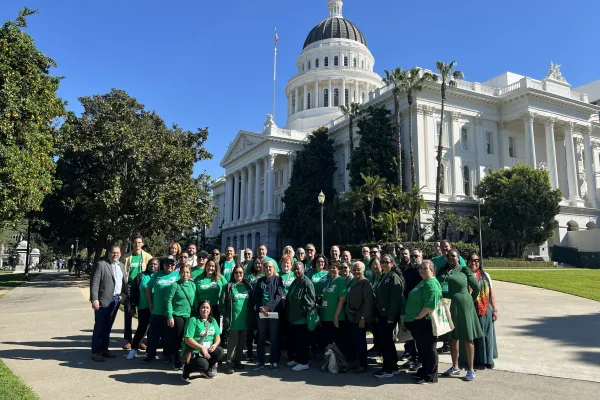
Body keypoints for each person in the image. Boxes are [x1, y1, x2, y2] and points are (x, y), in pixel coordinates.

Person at [438, 249, 483, 381]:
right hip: (448, 307)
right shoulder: (443, 271)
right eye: (449, 256)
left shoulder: (464, 270)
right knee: (452, 337)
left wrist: (468, 299)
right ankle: (455, 366)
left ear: (458, 258)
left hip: (464, 307)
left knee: (467, 337)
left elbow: (476, 287)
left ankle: (470, 369)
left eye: (454, 256)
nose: (451, 258)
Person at [404, 260, 442, 384]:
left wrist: (419, 316)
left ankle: (430, 375)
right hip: (418, 322)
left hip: (425, 322)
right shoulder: (424, 282)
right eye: (420, 268)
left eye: (425, 268)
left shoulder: (431, 284)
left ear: (432, 270)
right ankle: (425, 370)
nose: (422, 271)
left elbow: (431, 304)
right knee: (422, 348)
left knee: (429, 348)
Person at [90, 245, 128, 362]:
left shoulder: (121, 266)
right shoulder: (101, 264)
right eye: (113, 252)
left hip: (116, 301)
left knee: (108, 326)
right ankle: (95, 352)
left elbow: (124, 283)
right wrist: (94, 299)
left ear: (120, 254)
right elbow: (94, 283)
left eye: (117, 253)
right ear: (109, 253)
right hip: (103, 301)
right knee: (99, 327)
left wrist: (123, 295)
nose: (115, 254)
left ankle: (104, 349)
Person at [142, 256, 180, 364]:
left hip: (170, 312)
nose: (169, 266)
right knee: (153, 335)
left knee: (168, 335)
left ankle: (167, 355)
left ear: (174, 266)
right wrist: (150, 302)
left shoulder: (177, 276)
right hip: (157, 310)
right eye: (167, 264)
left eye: (172, 264)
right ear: (163, 265)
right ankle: (150, 355)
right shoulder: (157, 275)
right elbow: (148, 288)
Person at [373, 254, 405, 378]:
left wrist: (391, 315)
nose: (384, 264)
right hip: (382, 314)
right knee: (386, 341)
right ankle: (393, 366)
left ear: (392, 263)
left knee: (386, 342)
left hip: (389, 315)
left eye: (387, 262)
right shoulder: (383, 276)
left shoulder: (393, 277)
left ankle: (388, 369)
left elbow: (395, 299)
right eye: (382, 262)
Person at [432, 240, 466, 354]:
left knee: (454, 320)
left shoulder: (459, 260)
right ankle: (446, 343)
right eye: (442, 247)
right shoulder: (437, 261)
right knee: (444, 320)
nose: (444, 248)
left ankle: (455, 343)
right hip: (442, 295)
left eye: (446, 246)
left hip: (454, 294)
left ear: (450, 246)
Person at [466, 254, 498, 369]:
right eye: (471, 260)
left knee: (487, 335)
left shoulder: (485, 276)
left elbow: (491, 294)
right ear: (467, 262)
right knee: (473, 336)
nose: (473, 263)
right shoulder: (464, 275)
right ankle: (476, 359)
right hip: (470, 310)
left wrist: (494, 310)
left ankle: (488, 359)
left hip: (485, 309)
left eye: (476, 260)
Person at [220, 265, 254, 374]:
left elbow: (252, 302)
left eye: (240, 273)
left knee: (241, 342)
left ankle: (237, 361)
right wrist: (225, 316)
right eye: (236, 273)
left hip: (244, 319)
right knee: (232, 343)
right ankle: (228, 364)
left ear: (243, 274)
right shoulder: (228, 286)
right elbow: (222, 303)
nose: (238, 275)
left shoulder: (248, 286)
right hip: (233, 321)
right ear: (233, 274)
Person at [122, 236, 153, 350]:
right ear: (132, 243)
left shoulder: (147, 257)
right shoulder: (126, 257)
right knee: (128, 312)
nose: (137, 245)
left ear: (142, 244)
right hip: (130, 286)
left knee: (143, 314)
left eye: (139, 243)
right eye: (135, 242)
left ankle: (140, 339)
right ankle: (128, 340)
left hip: (143, 286)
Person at [181, 300, 224, 380]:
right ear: (199, 309)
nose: (205, 310)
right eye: (203, 307)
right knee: (202, 365)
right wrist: (201, 348)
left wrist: (215, 345)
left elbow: (217, 336)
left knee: (219, 351)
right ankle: (187, 369)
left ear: (210, 309)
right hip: (195, 351)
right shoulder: (193, 320)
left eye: (207, 308)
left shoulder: (213, 321)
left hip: (208, 350)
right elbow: (188, 339)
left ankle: (206, 370)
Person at [254, 260, 285, 370]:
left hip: (273, 312)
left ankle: (274, 361)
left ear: (274, 268)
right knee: (261, 337)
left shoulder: (278, 280)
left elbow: (278, 296)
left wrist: (268, 307)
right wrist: (261, 308)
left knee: (273, 337)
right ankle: (260, 361)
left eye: (270, 267)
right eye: (266, 267)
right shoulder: (260, 281)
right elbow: (256, 297)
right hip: (261, 313)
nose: (268, 269)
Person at [127, 257, 160, 359]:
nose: (153, 266)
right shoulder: (140, 276)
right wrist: (132, 306)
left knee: (154, 331)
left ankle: (151, 352)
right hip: (143, 307)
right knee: (142, 329)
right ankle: (134, 348)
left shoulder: (161, 276)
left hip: (158, 308)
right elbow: (133, 292)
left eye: (155, 264)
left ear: (158, 266)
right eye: (151, 264)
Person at [165, 264, 196, 370]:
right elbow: (169, 300)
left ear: (190, 273)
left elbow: (195, 301)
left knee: (188, 339)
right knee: (177, 339)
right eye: (183, 272)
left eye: (187, 272)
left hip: (189, 316)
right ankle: (176, 359)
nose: (185, 274)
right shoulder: (175, 285)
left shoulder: (192, 285)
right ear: (179, 273)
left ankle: (186, 358)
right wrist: (170, 316)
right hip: (177, 315)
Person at [286, 261, 316, 371]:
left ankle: (304, 362)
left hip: (302, 318)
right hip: (294, 317)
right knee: (296, 340)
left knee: (303, 341)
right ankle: (298, 359)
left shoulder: (307, 282)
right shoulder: (295, 282)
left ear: (303, 269)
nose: (296, 271)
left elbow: (311, 300)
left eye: (298, 269)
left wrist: (303, 309)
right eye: (294, 269)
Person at [346, 261, 374, 373]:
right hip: (352, 316)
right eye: (354, 269)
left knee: (361, 342)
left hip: (360, 317)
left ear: (363, 270)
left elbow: (368, 302)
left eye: (359, 269)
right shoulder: (352, 281)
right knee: (354, 341)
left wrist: (363, 318)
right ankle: (357, 363)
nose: (356, 271)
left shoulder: (365, 283)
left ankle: (363, 365)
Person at [400, 248, 424, 369]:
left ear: (421, 257)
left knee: (419, 337)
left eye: (416, 256)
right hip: (408, 307)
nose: (414, 258)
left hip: (420, 309)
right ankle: (412, 358)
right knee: (409, 338)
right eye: (412, 256)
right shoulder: (407, 271)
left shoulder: (424, 271)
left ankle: (420, 361)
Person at [321, 261, 347, 356]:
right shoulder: (328, 281)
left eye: (334, 268)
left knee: (339, 342)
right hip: (326, 317)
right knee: (328, 342)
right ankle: (330, 363)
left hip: (336, 317)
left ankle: (341, 363)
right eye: (330, 267)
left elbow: (342, 299)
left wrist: (336, 316)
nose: (332, 269)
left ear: (339, 269)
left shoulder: (340, 280)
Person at [195, 257, 227, 325]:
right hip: (202, 308)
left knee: (214, 330)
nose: (210, 268)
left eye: (213, 266)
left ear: (216, 267)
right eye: (208, 265)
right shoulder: (198, 278)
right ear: (205, 266)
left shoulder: (220, 278)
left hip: (216, 308)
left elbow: (228, 289)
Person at [245, 255, 264, 361]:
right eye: (256, 263)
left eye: (260, 263)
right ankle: (249, 351)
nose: (258, 265)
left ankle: (258, 351)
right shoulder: (249, 276)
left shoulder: (264, 276)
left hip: (261, 305)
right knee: (250, 330)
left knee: (260, 330)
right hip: (250, 305)